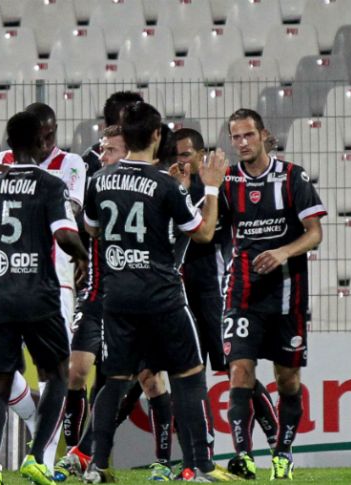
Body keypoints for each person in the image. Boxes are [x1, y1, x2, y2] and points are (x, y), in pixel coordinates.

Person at [82, 102, 237, 483]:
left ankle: (96, 466)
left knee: (114, 380)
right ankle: (201, 466)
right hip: (162, 296)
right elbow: (203, 233)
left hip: (118, 297)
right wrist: (211, 186)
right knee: (189, 374)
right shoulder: (164, 184)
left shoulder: (99, 180)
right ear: (156, 135)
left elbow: (92, 229)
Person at [0, 111, 89, 485]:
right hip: (43, 291)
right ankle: (37, 456)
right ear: (39, 140)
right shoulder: (49, 185)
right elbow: (65, 233)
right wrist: (83, 256)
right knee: (57, 374)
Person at [54, 125, 176, 482]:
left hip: (136, 300)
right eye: (102, 149)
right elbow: (77, 225)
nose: (101, 156)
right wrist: (82, 256)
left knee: (150, 380)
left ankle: (162, 461)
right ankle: (76, 454)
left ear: (130, 152)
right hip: (96, 297)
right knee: (76, 370)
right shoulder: (96, 185)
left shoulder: (151, 188)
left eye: (110, 150)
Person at [219, 109, 326, 480]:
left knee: (287, 380)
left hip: (287, 294)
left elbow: (315, 233)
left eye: (248, 135)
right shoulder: (227, 181)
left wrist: (283, 252)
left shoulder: (292, 177)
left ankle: (282, 453)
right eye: (236, 137)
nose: (242, 143)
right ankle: (243, 457)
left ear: (263, 135)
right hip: (242, 294)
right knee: (239, 371)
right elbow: (209, 228)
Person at [173, 128, 280, 460]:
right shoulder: (171, 189)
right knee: (189, 376)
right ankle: (197, 457)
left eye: (186, 155)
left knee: (235, 369)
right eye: (176, 156)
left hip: (214, 293)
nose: (181, 161)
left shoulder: (219, 188)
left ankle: (276, 438)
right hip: (179, 295)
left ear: (201, 155)